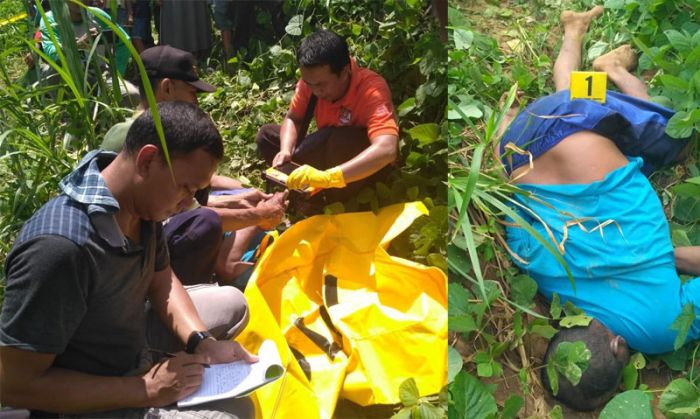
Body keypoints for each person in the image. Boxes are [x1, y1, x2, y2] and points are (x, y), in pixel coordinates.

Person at [0, 102, 257, 418]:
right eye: (186, 189)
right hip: (87, 396)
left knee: (233, 302)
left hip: (128, 344)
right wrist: (146, 390)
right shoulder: (60, 250)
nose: (189, 203)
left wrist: (202, 343)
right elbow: (15, 384)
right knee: (236, 411)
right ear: (147, 160)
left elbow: (162, 279)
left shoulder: (141, 205)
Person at [499, 6, 694, 411]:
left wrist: (670, 258)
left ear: (619, 345)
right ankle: (574, 31)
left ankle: (616, 71)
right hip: (522, 141)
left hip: (583, 140)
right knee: (571, 99)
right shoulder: (542, 281)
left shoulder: (658, 329)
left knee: (671, 140)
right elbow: (512, 211)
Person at [101, 45, 286, 287]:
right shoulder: (153, 138)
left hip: (154, 230)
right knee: (207, 222)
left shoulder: (136, 127)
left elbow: (195, 195)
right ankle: (209, 277)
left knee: (232, 200)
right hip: (141, 250)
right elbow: (191, 210)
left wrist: (243, 196)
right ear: (167, 88)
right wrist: (257, 215)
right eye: (192, 93)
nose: (196, 102)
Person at [256, 29, 399, 208]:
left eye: (321, 85)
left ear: (345, 71)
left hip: (359, 166)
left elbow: (387, 149)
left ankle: (326, 199)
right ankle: (301, 191)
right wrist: (286, 151)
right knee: (267, 135)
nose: (315, 91)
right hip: (326, 149)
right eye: (309, 84)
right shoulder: (311, 83)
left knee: (341, 139)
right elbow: (293, 118)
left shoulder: (371, 90)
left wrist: (330, 177)